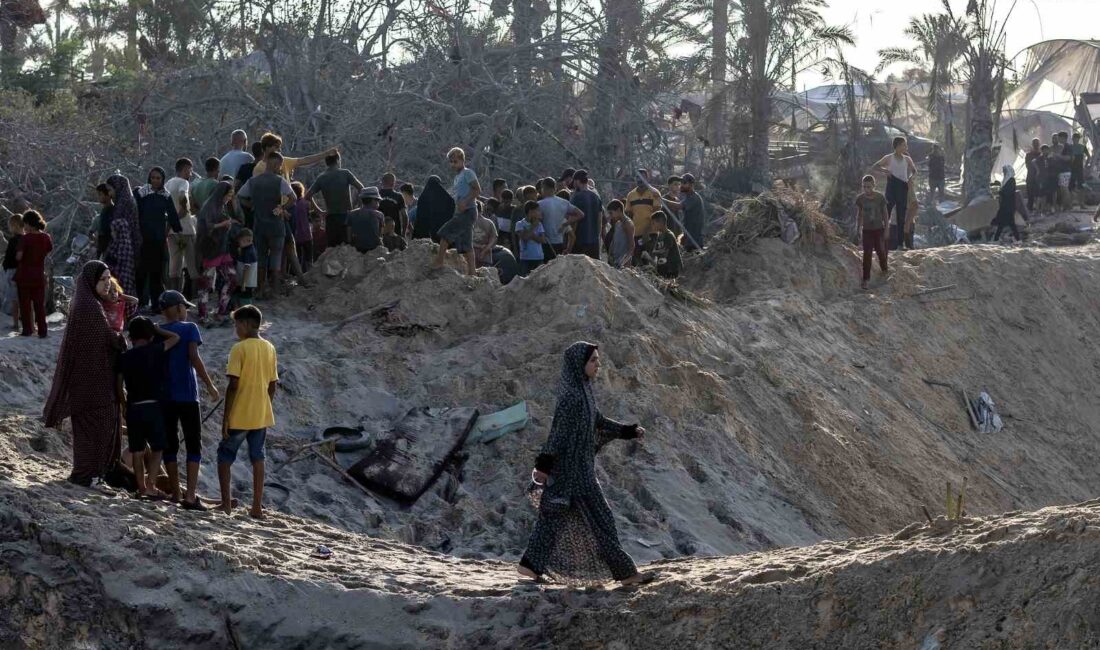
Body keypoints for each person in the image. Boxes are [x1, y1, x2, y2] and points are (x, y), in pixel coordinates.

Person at [518, 342, 649, 586]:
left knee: (552, 520)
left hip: (580, 468)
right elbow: (557, 433)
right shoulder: (571, 397)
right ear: (579, 364)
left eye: (598, 360)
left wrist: (627, 431)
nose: (598, 364)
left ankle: (530, 566)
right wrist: (544, 467)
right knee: (602, 519)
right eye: (593, 360)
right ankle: (626, 573)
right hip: (572, 471)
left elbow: (597, 421)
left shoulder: (584, 390)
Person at [44, 261, 127, 486]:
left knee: (97, 428)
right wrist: (121, 340)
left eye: (109, 278)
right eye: (103, 279)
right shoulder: (88, 307)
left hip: (92, 378)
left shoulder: (91, 302)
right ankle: (87, 475)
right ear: (91, 281)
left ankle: (92, 474)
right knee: (96, 429)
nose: (107, 283)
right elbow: (105, 337)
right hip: (91, 381)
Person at [158, 290, 219, 508]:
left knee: (170, 445)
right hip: (187, 396)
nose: (186, 311)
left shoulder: (158, 331)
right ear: (177, 308)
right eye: (184, 307)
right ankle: (191, 495)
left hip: (164, 397)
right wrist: (210, 384)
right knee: (194, 444)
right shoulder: (189, 329)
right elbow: (194, 357)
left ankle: (175, 493)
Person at [219, 305, 278, 519]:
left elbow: (233, 384)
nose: (235, 329)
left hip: (240, 413)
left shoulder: (239, 349)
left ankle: (226, 504)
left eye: (236, 324)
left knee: (225, 456)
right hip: (260, 415)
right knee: (258, 457)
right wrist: (265, 404)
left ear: (245, 324)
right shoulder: (269, 348)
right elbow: (273, 385)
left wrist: (226, 417)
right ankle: (256, 507)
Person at [118, 316, 180, 499]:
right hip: (153, 407)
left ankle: (141, 487)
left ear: (131, 337)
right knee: (158, 447)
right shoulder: (155, 349)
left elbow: (118, 383)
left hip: (133, 407)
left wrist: (123, 404)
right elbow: (176, 338)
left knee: (137, 449)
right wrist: (159, 329)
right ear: (150, 336)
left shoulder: (124, 357)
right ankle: (151, 484)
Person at [237, 152, 296, 298]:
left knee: (261, 258)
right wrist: (282, 208)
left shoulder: (253, 181)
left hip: (259, 225)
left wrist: (251, 204)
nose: (280, 169)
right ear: (276, 164)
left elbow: (240, 196)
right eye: (280, 166)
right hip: (276, 225)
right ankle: (275, 291)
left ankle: (260, 289)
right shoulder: (279, 181)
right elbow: (293, 198)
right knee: (276, 257)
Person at [135, 167, 183, 309]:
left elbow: (172, 215)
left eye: (158, 178)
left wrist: (178, 231)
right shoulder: (141, 193)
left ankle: (156, 304)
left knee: (157, 272)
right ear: (149, 178)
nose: (155, 180)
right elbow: (134, 212)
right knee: (141, 272)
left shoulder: (165, 195)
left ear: (162, 180)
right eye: (153, 178)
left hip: (158, 239)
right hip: (143, 238)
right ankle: (140, 303)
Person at [433, 147, 481, 276]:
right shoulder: (457, 178)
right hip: (461, 212)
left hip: (469, 211)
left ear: (462, 160)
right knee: (466, 244)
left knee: (445, 233)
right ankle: (472, 272)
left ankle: (439, 262)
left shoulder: (468, 173)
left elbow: (477, 190)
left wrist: (465, 201)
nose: (453, 164)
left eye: (455, 161)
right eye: (451, 162)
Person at [195, 180, 237, 326]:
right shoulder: (209, 206)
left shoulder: (222, 206)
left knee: (231, 279)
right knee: (206, 283)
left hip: (223, 248)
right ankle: (202, 315)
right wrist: (223, 224)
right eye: (229, 194)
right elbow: (206, 227)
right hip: (211, 249)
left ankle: (221, 312)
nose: (230, 198)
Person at [305, 152, 364, 248]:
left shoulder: (322, 177)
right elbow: (362, 189)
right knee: (347, 248)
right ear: (338, 160)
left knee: (332, 249)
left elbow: (307, 196)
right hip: (346, 216)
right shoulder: (345, 173)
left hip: (330, 217)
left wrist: (319, 211)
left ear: (326, 163)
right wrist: (359, 206)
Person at [103, 175, 142, 320]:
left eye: (110, 190)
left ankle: (124, 315)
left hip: (124, 249)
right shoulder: (122, 202)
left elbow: (122, 229)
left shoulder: (124, 204)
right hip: (122, 248)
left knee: (123, 283)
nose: (110, 193)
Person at [874, 136, 917, 251]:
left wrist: (910, 178)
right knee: (885, 213)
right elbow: (876, 166)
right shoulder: (889, 158)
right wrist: (885, 171)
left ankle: (900, 244)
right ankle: (879, 242)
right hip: (892, 186)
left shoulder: (907, 159)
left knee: (901, 217)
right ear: (897, 146)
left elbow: (914, 170)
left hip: (903, 187)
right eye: (904, 145)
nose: (906, 147)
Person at [15, 210, 52, 337]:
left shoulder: (25, 239)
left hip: (24, 275)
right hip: (39, 275)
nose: (24, 227)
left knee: (25, 305)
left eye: (25, 224)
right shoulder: (46, 237)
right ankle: (42, 330)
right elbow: (47, 251)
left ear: (29, 224)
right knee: (39, 305)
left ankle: (27, 330)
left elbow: (19, 256)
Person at [165, 158, 198, 295]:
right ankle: (194, 296)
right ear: (184, 170)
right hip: (185, 229)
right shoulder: (184, 183)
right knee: (192, 264)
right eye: (189, 171)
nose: (190, 174)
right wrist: (183, 210)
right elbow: (182, 196)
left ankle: (175, 295)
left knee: (175, 265)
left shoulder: (168, 183)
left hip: (172, 231)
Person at [251, 132, 336, 180]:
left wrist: (326, 154)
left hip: (287, 207)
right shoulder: (259, 168)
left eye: (279, 147)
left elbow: (305, 160)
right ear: (267, 147)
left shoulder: (284, 161)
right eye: (276, 147)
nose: (279, 150)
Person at [855, 175, 889, 290]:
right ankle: (866, 279)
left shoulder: (880, 197)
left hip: (879, 229)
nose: (866, 189)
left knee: (881, 251)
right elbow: (859, 215)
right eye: (864, 187)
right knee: (867, 254)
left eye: (869, 187)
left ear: (874, 186)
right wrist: (858, 229)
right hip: (867, 230)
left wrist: (887, 229)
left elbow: (885, 214)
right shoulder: (860, 199)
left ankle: (885, 270)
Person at [537, 177, 583, 256]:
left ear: (543, 188)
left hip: (546, 243)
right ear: (555, 188)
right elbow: (581, 214)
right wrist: (565, 224)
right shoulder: (563, 202)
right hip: (559, 242)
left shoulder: (539, 204)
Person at [569, 170, 603, 260]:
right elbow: (600, 220)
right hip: (594, 242)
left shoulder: (575, 198)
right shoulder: (596, 197)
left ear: (577, 181)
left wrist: (569, 244)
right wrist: (597, 237)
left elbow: (573, 221)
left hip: (579, 241)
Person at [624, 170, 662, 252]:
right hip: (636, 233)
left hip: (651, 233)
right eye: (637, 177)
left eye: (642, 177)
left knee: (649, 259)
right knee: (637, 261)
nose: (639, 179)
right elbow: (628, 215)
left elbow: (657, 215)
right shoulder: (631, 195)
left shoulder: (654, 193)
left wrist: (647, 230)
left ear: (647, 179)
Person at [410, 175, 454, 241]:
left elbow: (419, 217)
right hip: (441, 233)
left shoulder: (423, 197)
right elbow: (452, 206)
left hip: (424, 235)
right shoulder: (444, 197)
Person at [642, 212, 682, 279]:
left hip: (671, 269)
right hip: (665, 267)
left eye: (653, 223)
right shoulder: (659, 236)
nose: (652, 226)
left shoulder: (668, 235)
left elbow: (664, 255)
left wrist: (648, 257)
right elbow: (656, 253)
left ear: (661, 222)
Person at [993, 164, 1025, 243]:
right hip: (1005, 205)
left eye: (1004, 171)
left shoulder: (1011, 180)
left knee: (1009, 223)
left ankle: (1017, 239)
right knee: (1003, 223)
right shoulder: (1006, 180)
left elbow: (1008, 192)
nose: (1003, 173)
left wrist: (1001, 192)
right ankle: (996, 239)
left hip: (1009, 205)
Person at [515, 200, 547, 276]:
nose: (539, 213)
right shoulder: (520, 224)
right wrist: (533, 226)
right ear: (531, 211)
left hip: (538, 257)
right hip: (525, 258)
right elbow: (524, 238)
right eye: (537, 210)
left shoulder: (539, 225)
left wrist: (531, 235)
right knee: (524, 279)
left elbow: (543, 240)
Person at [347, 187, 384, 253]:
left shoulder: (351, 214)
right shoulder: (379, 215)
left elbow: (349, 232)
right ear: (373, 200)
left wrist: (350, 244)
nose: (378, 202)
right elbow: (380, 234)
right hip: (373, 248)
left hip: (357, 248)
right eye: (377, 200)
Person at [3, 212, 23, 330]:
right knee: (25, 298)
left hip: (13, 272)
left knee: (15, 300)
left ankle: (16, 324)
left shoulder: (13, 240)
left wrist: (5, 266)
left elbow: (9, 257)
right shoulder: (27, 239)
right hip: (25, 271)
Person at [678, 173, 705, 252]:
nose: (681, 185)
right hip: (688, 239)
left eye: (684, 183)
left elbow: (678, 206)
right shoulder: (688, 197)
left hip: (695, 241)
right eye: (681, 183)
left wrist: (661, 199)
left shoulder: (694, 198)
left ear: (691, 185)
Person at [290, 182, 313, 272]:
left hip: (296, 235)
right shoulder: (305, 203)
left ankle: (298, 276)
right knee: (309, 258)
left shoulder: (291, 205)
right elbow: (308, 216)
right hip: (307, 234)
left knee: (298, 258)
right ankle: (310, 274)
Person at [606, 200, 634, 269]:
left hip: (622, 264)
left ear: (618, 210)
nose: (610, 216)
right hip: (615, 261)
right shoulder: (618, 223)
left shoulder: (627, 224)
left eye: (611, 213)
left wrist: (623, 262)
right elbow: (614, 241)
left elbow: (632, 246)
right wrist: (609, 255)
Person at [233, 228, 258, 304]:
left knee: (245, 300)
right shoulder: (246, 248)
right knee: (237, 297)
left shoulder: (249, 252)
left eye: (240, 241)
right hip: (242, 281)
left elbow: (246, 269)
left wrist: (244, 284)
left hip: (247, 282)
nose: (239, 242)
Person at [472, 201, 498, 267]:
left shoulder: (468, 222)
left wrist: (479, 246)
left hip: (471, 257)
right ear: (482, 210)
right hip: (486, 257)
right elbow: (494, 238)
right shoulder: (489, 223)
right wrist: (485, 250)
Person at [94, 183, 114, 258]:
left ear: (108, 195)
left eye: (100, 194)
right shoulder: (104, 210)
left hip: (109, 248)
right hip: (102, 247)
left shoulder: (112, 210)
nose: (98, 197)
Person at [1070, 132, 1090, 203]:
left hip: (1080, 169)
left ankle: (1082, 204)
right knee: (1071, 187)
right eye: (1074, 138)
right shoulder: (1070, 147)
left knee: (1082, 186)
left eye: (1077, 138)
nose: (1075, 140)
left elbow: (1089, 156)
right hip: (1071, 169)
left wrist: (1086, 165)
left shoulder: (1082, 147)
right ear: (1072, 139)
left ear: (1078, 139)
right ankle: (1071, 203)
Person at [1025, 138, 1042, 212]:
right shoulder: (1028, 155)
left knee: (1039, 193)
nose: (1036, 145)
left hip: (1039, 177)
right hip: (1031, 176)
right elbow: (1028, 165)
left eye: (1037, 143)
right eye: (1034, 143)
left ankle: (1039, 207)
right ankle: (1030, 207)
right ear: (1032, 144)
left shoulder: (1041, 154)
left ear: (1039, 144)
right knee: (1030, 193)